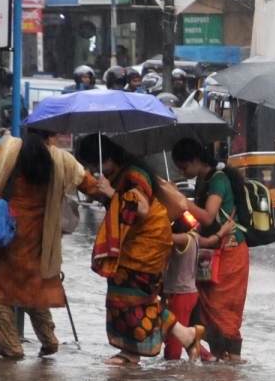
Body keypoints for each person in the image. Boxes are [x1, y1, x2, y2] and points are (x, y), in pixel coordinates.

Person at [0, 130, 100, 359]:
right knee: (35, 287)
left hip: (4, 232)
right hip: (41, 238)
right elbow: (90, 187)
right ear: (52, 136)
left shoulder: (9, 150)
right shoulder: (62, 160)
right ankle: (48, 339)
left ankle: (11, 348)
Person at [77, 135, 204, 366]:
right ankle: (186, 336)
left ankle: (132, 352)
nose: (96, 171)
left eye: (97, 166)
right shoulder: (119, 173)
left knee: (130, 295)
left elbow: (142, 208)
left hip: (148, 242)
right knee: (143, 297)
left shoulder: (134, 174)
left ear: (109, 158)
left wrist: (111, 193)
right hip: (136, 242)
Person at [172, 138, 251, 363]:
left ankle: (234, 359)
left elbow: (207, 216)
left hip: (230, 252)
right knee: (206, 306)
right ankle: (221, 361)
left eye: (184, 166)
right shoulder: (203, 179)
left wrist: (181, 201)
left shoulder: (218, 180)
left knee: (222, 307)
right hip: (212, 252)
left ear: (197, 161)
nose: (182, 171)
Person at [162, 218, 225, 361]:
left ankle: (172, 366)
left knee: (174, 338)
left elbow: (163, 235)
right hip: (189, 293)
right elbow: (209, 242)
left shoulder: (184, 239)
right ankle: (208, 357)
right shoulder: (194, 237)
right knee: (183, 331)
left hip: (181, 294)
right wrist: (222, 232)